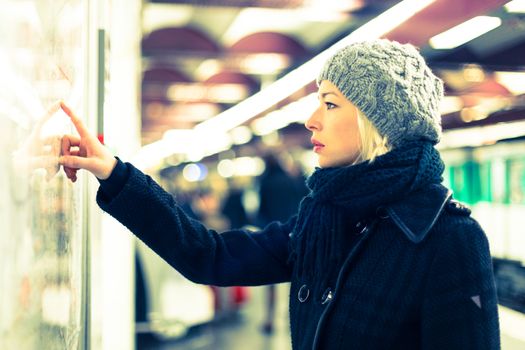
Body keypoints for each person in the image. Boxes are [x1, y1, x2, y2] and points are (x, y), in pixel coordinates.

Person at [59, 39, 500, 349]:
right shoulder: (322, 219)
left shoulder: (448, 239)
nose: (311, 120)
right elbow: (208, 255)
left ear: (377, 122)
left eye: (329, 103)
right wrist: (114, 174)